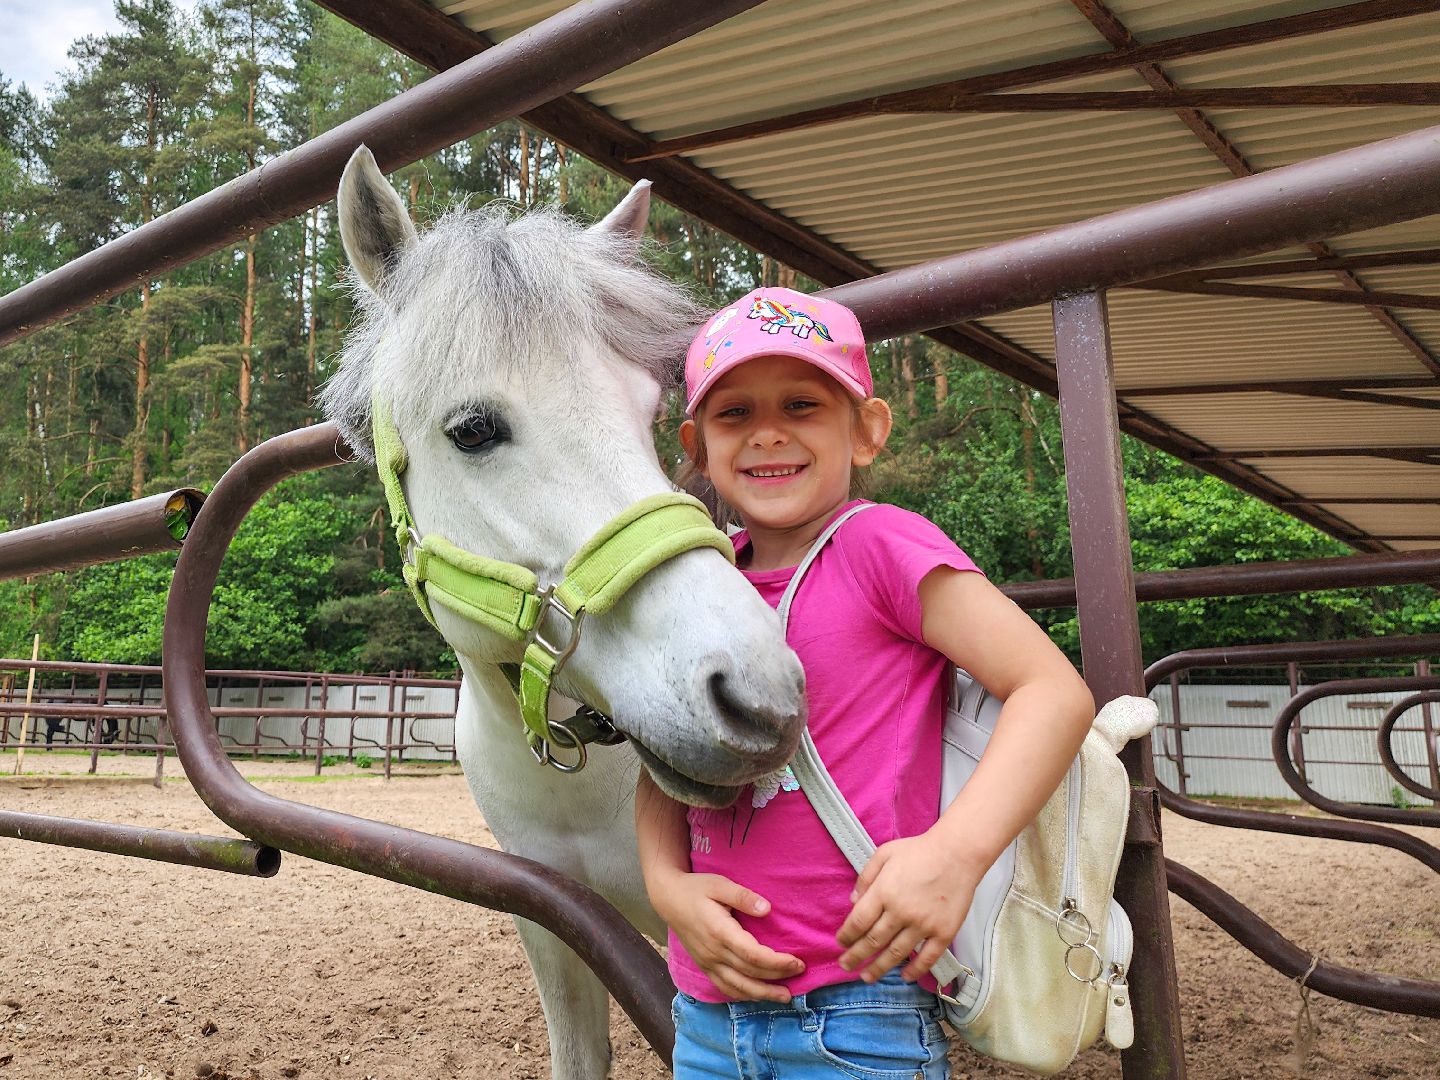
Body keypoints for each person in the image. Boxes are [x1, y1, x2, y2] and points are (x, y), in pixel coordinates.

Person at [634, 286, 1097, 1079]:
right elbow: (667, 749)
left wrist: (954, 855)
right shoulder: (700, 580)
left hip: (858, 1014)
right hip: (704, 1013)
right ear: (697, 443)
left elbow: (1053, 692)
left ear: (868, 429)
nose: (768, 432)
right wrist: (665, 883)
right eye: (734, 413)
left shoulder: (882, 546)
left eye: (803, 403)